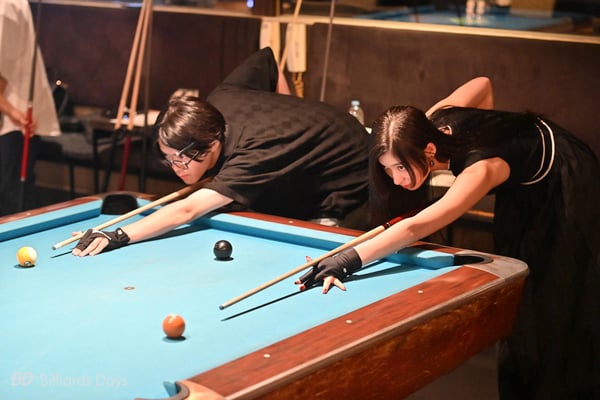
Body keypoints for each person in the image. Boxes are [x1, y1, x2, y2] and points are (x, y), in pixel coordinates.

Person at [296, 77, 600, 399]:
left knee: (556, 297)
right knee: (524, 288)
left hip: (564, 178)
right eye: (388, 169)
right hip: (520, 183)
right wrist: (490, 130)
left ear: (429, 150)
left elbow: (414, 228)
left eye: (401, 167)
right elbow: (483, 84)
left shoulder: (481, 169)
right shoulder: (431, 122)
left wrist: (347, 260)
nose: (397, 180)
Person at [72, 47, 369, 256]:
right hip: (305, 150)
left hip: (351, 177)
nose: (175, 168)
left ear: (212, 145)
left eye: (181, 159)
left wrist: (120, 235)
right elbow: (267, 60)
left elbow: (188, 209)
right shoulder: (217, 103)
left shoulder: (254, 154)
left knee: (316, 257)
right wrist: (292, 111)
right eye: (168, 159)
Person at [0, 0, 60, 216]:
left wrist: (12, 111)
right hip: (13, 115)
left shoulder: (8, 8)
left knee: (13, 198)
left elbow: (3, 70)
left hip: (15, 118)